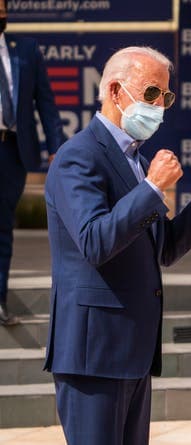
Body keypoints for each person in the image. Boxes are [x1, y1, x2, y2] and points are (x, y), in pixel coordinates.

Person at [43, 46, 191, 445]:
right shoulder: (79, 156)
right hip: (94, 352)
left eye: (166, 96)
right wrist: (151, 188)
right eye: (151, 94)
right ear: (114, 91)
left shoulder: (136, 160)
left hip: (133, 348)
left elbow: (160, 249)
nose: (160, 106)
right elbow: (94, 241)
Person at [0, 0, 65, 326]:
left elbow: (46, 102)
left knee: (1, 226)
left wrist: (57, 148)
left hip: (11, 151)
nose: (1, 15)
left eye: (3, 9)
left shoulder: (25, 49)